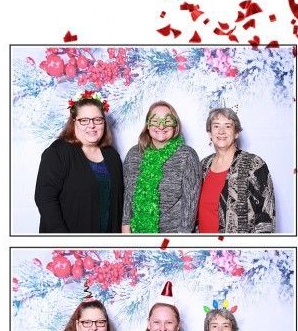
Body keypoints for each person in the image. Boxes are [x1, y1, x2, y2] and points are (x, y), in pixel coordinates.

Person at [34, 91, 123, 233]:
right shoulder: (58, 152)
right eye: (84, 120)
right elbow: (45, 199)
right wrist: (64, 240)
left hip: (106, 245)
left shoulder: (112, 156)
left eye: (97, 120)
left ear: (103, 123)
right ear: (74, 122)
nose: (92, 125)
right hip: (70, 244)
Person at [122, 100, 200, 234]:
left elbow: (190, 202)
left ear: (175, 125)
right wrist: (125, 225)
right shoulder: (134, 154)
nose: (161, 126)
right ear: (147, 124)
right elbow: (128, 194)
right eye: (155, 120)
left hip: (172, 236)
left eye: (167, 121)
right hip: (137, 233)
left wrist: (183, 237)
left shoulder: (187, 155)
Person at [198, 108, 275, 234]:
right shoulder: (203, 166)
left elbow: (266, 215)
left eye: (228, 126)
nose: (221, 131)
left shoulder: (254, 164)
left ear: (236, 132)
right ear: (210, 133)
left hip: (236, 250)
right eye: (216, 126)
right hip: (203, 249)